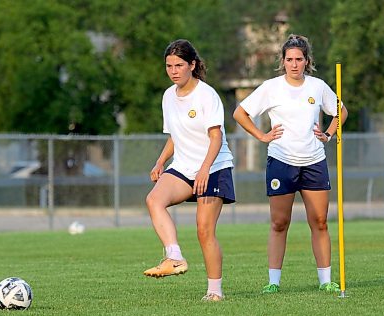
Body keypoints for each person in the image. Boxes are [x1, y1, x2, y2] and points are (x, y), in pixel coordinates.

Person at [233, 34, 348, 294]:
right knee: (279, 222)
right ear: (282, 62)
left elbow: (341, 111)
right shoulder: (270, 87)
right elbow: (240, 113)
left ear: (307, 61)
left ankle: (325, 281)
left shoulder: (317, 86)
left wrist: (329, 134)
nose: (294, 64)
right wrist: (262, 136)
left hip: (314, 161)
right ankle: (273, 283)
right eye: (289, 59)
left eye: (299, 59)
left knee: (319, 221)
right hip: (281, 161)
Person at [143, 39, 235, 302]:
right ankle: (174, 256)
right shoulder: (168, 96)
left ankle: (215, 291)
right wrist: (160, 162)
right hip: (183, 166)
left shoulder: (207, 95)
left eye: (179, 65)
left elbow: (215, 138)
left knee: (204, 230)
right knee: (154, 200)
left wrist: (205, 169)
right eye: (169, 66)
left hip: (214, 166)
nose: (173, 71)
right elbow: (174, 136)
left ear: (192, 65)